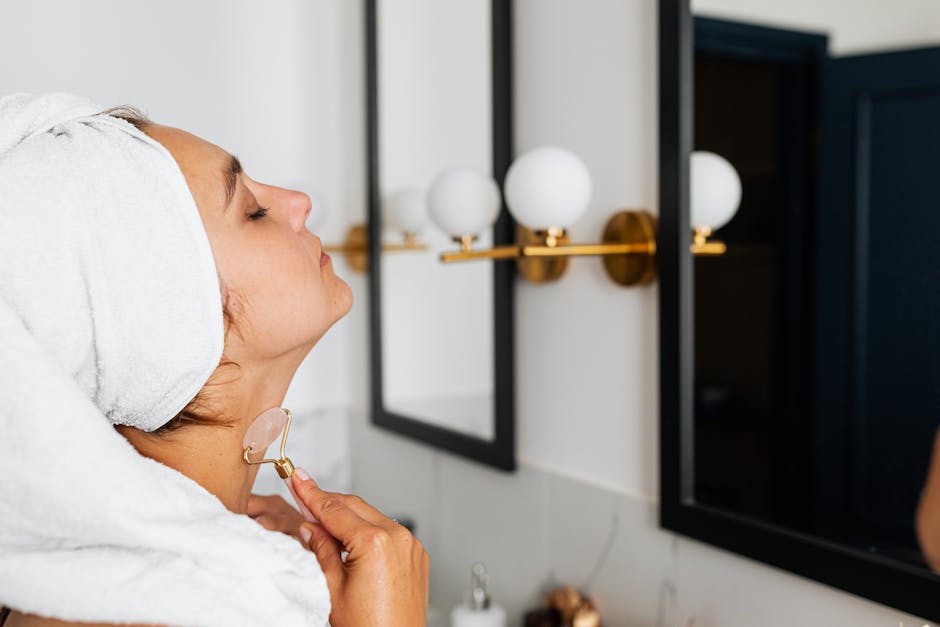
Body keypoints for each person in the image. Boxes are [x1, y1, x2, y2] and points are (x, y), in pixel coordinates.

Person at [0, 94, 428, 627]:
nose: (298, 202)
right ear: (167, 328)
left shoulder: (220, 573)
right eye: (252, 211)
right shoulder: (132, 614)